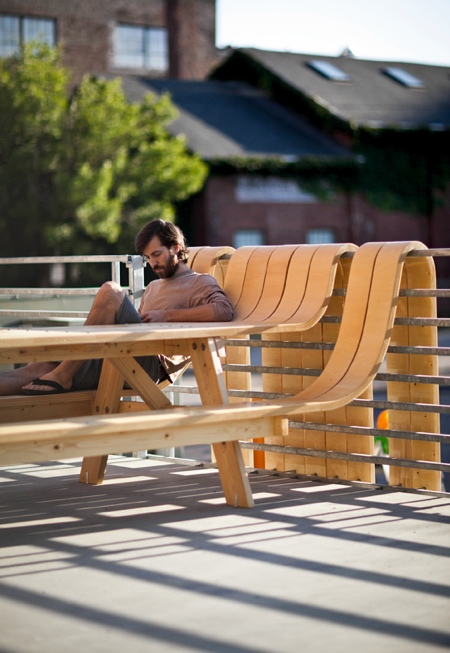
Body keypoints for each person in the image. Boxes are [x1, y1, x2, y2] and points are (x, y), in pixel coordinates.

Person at [0, 220, 233, 396]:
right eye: (147, 257)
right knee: (37, 367)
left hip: (152, 365)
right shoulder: (153, 287)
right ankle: (66, 367)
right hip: (124, 353)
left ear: (175, 247)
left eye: (157, 254)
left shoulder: (200, 282)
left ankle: (65, 373)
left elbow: (224, 311)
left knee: (111, 291)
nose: (152, 263)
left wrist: (167, 315)